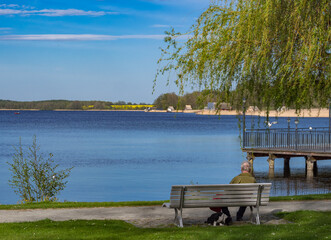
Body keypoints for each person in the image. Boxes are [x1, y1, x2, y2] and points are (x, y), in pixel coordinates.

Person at [221, 160, 256, 225]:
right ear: (250, 169)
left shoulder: (236, 178)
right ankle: (239, 216)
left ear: (241, 169)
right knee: (246, 197)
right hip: (246, 200)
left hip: (235, 199)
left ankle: (228, 217)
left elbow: (228, 190)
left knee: (222, 201)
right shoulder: (253, 179)